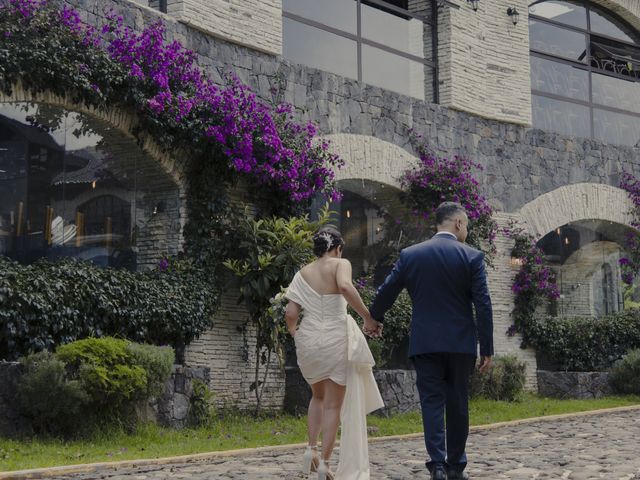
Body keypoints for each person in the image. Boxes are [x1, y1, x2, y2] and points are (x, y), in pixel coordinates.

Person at [368, 202, 493, 480]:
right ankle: (456, 467)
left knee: (432, 402)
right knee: (458, 402)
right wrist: (487, 348)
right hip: (460, 344)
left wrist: (374, 317)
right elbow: (483, 305)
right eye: (467, 226)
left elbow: (387, 289)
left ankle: (437, 464)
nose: (467, 232)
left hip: (425, 342)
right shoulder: (472, 257)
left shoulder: (411, 255)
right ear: (458, 223)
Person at [284, 227, 383, 480]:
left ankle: (311, 450)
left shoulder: (302, 273)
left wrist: (296, 334)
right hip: (335, 338)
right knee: (332, 405)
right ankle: (326, 464)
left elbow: (291, 314)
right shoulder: (341, 264)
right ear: (337, 248)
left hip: (309, 341)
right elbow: (346, 287)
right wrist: (368, 318)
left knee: (317, 397)